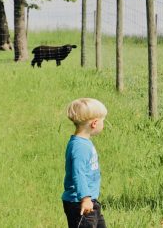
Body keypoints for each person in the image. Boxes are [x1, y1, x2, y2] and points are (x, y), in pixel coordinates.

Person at [61, 98, 108, 228]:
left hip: (89, 201)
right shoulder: (80, 147)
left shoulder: (83, 142)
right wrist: (85, 198)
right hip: (79, 203)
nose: (103, 124)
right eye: (103, 121)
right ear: (94, 123)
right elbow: (78, 174)